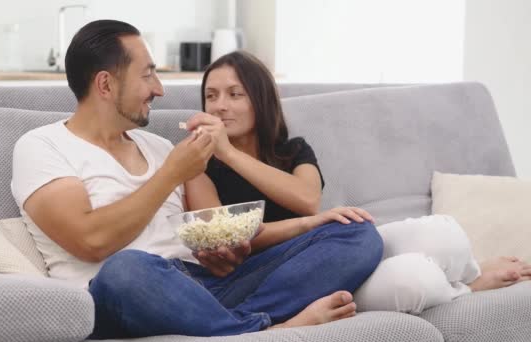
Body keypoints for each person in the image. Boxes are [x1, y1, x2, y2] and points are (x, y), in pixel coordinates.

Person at [10, 20, 383, 339]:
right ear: (105, 85)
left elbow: (219, 231)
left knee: (358, 234)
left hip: (203, 288)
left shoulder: (157, 146)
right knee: (126, 268)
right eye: (148, 74)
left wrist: (226, 252)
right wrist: (173, 171)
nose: (160, 89)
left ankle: (238, 327)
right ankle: (266, 333)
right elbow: (90, 242)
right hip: (129, 293)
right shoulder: (43, 146)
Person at [183, 50, 531, 315]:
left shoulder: (292, 150)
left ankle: (467, 271)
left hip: (335, 244)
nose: (219, 107)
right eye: (211, 96)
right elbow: (223, 238)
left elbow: (305, 199)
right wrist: (222, 155)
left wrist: (230, 153)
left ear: (260, 100)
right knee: (413, 281)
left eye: (234, 94)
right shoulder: (198, 164)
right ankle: (469, 286)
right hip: (297, 274)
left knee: (444, 234)